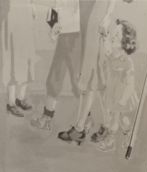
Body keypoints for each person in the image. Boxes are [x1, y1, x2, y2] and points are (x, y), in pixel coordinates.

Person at [58, 0, 133, 145]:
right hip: (86, 15)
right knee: (94, 75)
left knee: (92, 74)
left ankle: (82, 127)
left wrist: (107, 15)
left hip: (99, 15)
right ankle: (102, 123)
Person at [30, 0, 95, 131]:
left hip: (78, 35)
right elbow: (53, 7)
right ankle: (47, 117)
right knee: (56, 74)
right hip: (64, 33)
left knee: (77, 78)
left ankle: (86, 118)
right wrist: (54, 24)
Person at [94, 18, 139, 152]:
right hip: (112, 92)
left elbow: (130, 83)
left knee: (120, 119)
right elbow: (107, 48)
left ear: (125, 42)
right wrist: (104, 36)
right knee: (116, 117)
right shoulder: (112, 54)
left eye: (117, 35)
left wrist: (123, 99)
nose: (114, 36)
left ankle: (116, 138)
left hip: (122, 95)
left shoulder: (127, 61)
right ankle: (118, 135)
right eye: (114, 33)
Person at [2, 0, 36, 117]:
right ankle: (11, 103)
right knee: (12, 60)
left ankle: (20, 98)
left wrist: (32, 7)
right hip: (11, 14)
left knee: (27, 57)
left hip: (26, 14)